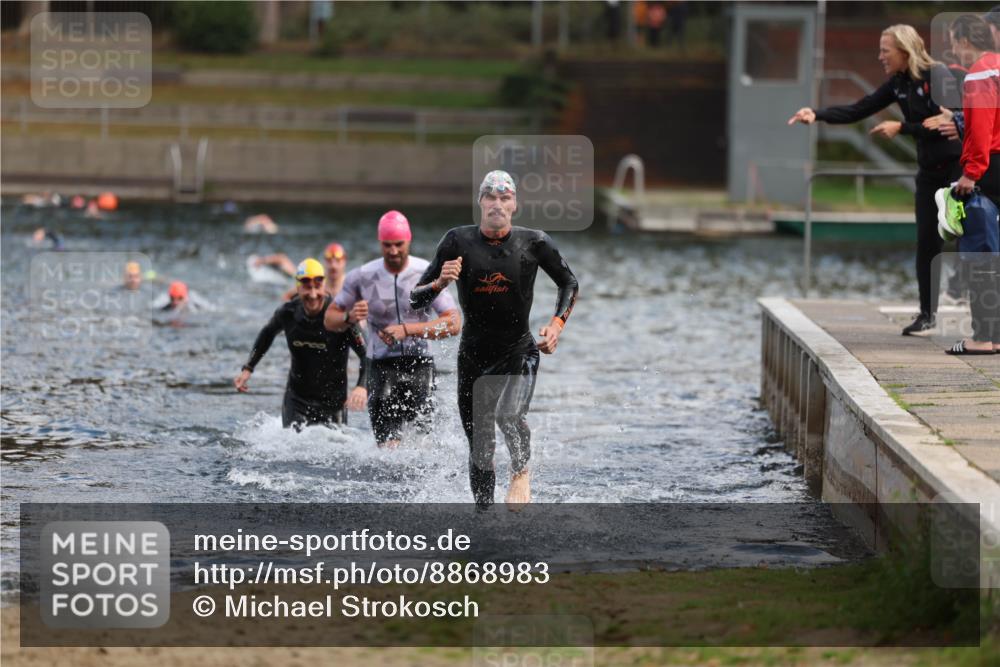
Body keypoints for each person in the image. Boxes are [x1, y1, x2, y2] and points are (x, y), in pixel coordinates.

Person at [410, 170, 579, 508]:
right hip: (473, 358)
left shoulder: (534, 242)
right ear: (480, 203)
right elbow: (415, 298)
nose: (497, 204)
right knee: (480, 447)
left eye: (505, 197)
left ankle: (521, 472)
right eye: (491, 196)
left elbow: (569, 283)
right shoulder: (457, 241)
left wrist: (557, 325)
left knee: (508, 415)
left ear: (514, 204)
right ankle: (483, 517)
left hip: (519, 351)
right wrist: (439, 284)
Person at [788, 25, 963, 336]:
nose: (880, 56)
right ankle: (927, 314)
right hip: (929, 171)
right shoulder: (898, 83)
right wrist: (816, 114)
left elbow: (952, 123)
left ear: (906, 51)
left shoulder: (937, 76)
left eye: (886, 51)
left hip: (957, 169)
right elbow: (860, 109)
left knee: (966, 234)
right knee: (926, 241)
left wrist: (903, 128)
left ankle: (977, 302)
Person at [324, 211, 461, 448]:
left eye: (399, 244)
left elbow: (453, 323)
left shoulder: (426, 273)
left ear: (409, 240)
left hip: (421, 366)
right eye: (387, 245)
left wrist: (409, 329)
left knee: (422, 447)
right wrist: (349, 316)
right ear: (380, 243)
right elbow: (329, 319)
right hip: (381, 367)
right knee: (387, 449)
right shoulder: (363, 276)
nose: (394, 251)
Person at [235, 258, 368, 430]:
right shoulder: (288, 312)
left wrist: (361, 387)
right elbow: (267, 333)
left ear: (324, 286)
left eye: (317, 287)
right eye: (307, 287)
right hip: (297, 399)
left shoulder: (340, 317)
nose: (313, 295)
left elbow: (367, 354)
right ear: (298, 288)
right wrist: (248, 368)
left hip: (333, 403)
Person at [946, 15, 1000, 355]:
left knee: (981, 254)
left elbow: (979, 127)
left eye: (953, 40)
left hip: (990, 168)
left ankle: (983, 337)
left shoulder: (980, 72)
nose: (953, 48)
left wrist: (971, 172)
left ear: (965, 39)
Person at [256, 242, 351, 301]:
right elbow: (286, 297)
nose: (333, 266)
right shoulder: (315, 281)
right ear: (324, 262)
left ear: (345, 261)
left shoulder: (351, 286)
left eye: (338, 261)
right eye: (329, 261)